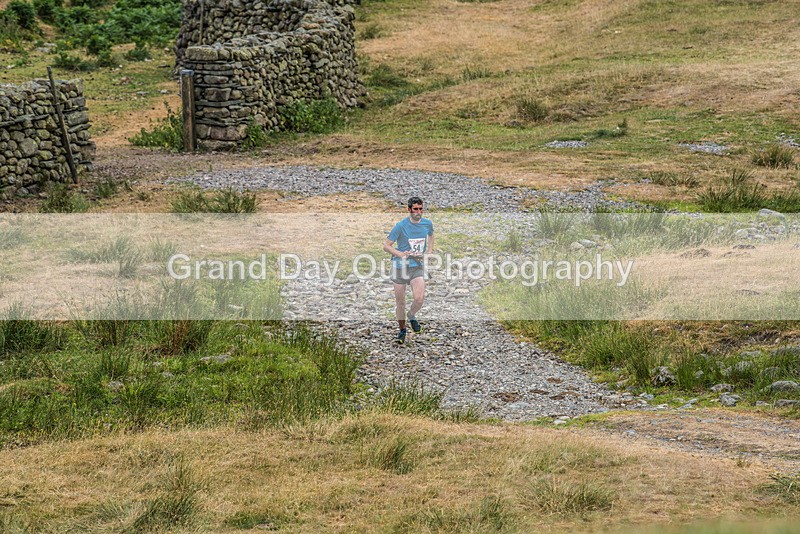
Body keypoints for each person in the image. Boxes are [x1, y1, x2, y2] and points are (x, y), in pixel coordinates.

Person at [383, 196, 434, 344]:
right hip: (399, 268)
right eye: (415, 209)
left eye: (420, 209)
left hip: (417, 266)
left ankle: (412, 315)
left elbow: (431, 235)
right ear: (409, 210)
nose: (418, 212)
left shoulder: (427, 224)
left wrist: (429, 251)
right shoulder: (401, 226)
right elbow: (386, 246)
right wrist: (400, 254)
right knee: (400, 302)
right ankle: (402, 330)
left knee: (419, 299)